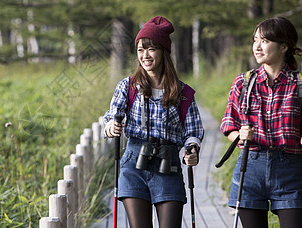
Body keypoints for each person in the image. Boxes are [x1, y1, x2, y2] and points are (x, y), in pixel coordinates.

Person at [103, 16, 204, 228]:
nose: (145, 55)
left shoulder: (183, 93)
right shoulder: (128, 86)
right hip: (134, 164)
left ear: (163, 52)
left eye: (151, 49)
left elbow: (192, 132)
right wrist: (111, 126)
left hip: (169, 165)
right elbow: (112, 116)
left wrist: (191, 150)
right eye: (140, 50)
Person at [220, 17, 302, 228]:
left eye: (264, 41)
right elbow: (229, 125)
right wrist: (240, 136)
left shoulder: (299, 84)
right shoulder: (244, 82)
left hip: (291, 169)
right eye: (255, 40)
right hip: (250, 167)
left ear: (284, 46)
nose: (257, 46)